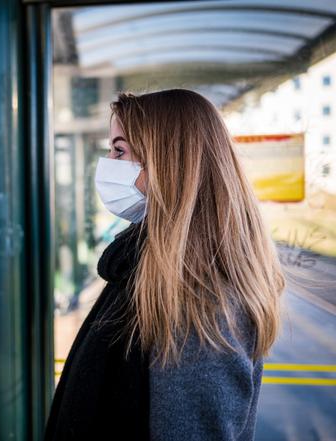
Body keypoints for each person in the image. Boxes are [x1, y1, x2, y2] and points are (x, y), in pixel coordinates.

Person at [43, 89, 285, 441]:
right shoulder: (146, 271)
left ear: (169, 164)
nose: (107, 162)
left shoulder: (202, 301)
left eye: (119, 150)